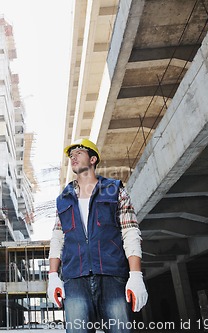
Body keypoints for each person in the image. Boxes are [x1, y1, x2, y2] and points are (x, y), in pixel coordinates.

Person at [47, 138, 148, 333]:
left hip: (112, 276)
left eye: (79, 152)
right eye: (71, 155)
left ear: (93, 159)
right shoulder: (63, 199)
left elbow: (130, 231)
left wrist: (136, 275)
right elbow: (58, 238)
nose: (73, 157)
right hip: (74, 279)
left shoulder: (114, 190)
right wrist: (53, 276)